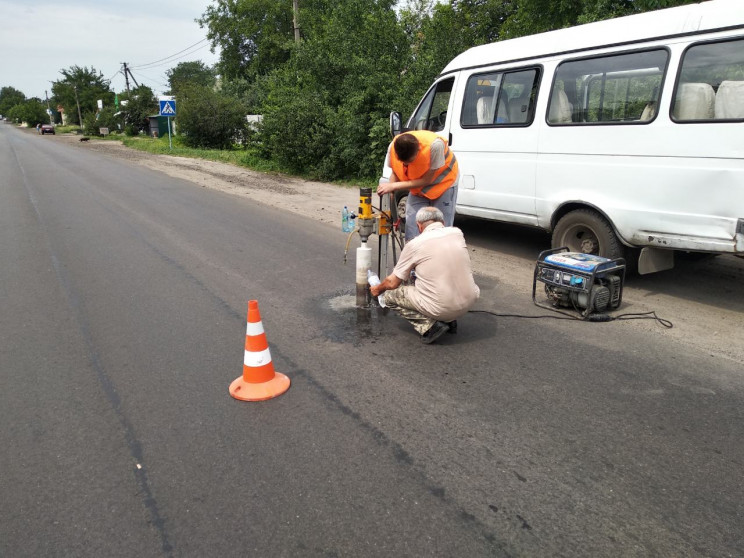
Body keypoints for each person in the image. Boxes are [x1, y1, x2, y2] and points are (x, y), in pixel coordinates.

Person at [370, 207, 480, 344]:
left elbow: (392, 282)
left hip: (442, 307)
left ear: (419, 226)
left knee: (389, 296)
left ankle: (430, 326)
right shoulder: (457, 233)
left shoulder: (415, 244)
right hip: (469, 300)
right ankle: (451, 321)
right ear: (443, 222)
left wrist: (378, 289)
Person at [377, 130, 459, 241]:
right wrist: (390, 194)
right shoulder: (393, 147)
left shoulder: (435, 146)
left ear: (418, 150)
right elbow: (395, 173)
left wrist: (394, 186)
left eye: (409, 161)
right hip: (418, 187)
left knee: (440, 227)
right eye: (403, 162)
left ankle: (439, 255)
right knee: (412, 224)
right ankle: (413, 253)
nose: (406, 165)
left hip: (443, 183)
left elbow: (427, 180)